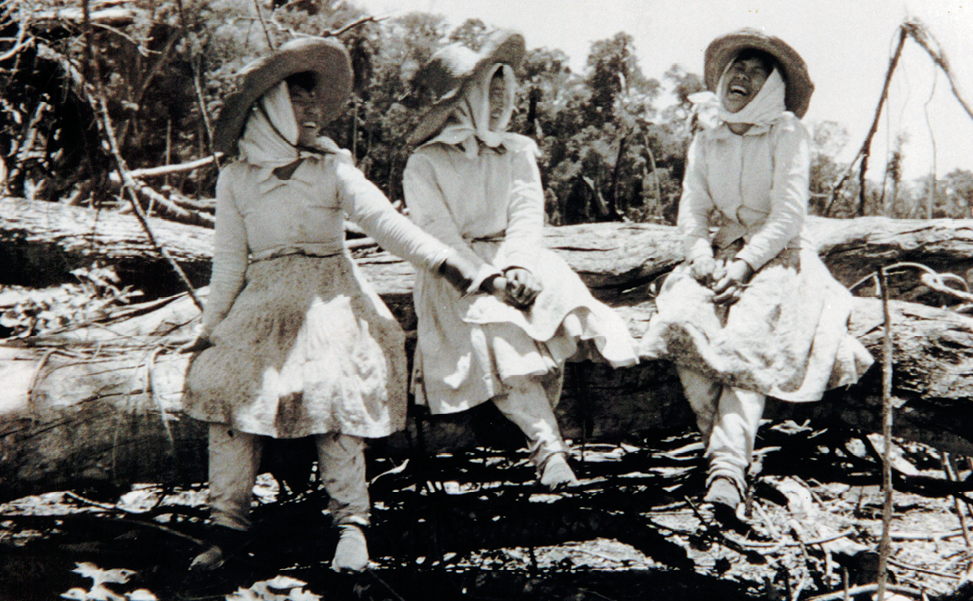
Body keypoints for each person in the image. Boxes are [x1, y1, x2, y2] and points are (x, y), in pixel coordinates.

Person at [182, 37, 483, 572]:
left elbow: (388, 226)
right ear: (271, 108)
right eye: (300, 100)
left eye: (315, 100)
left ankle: (351, 524)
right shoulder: (236, 177)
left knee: (335, 385)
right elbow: (228, 263)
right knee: (227, 382)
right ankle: (226, 526)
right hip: (264, 301)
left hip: (331, 296)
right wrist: (210, 331)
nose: (315, 110)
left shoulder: (333, 168)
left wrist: (454, 267)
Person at [638, 29, 874, 523]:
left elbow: (788, 216)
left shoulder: (786, 133)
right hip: (717, 254)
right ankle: (721, 460)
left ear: (771, 89)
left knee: (748, 336)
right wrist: (701, 258)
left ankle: (726, 469)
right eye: (736, 69)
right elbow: (694, 210)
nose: (740, 78)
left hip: (777, 256)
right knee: (681, 324)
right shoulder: (708, 135)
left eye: (755, 72)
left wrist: (746, 266)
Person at [401, 32, 639, 491]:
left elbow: (527, 214)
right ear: (462, 99)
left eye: (501, 88)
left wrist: (519, 265)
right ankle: (547, 448)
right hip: (459, 271)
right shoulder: (424, 164)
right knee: (498, 328)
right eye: (484, 90)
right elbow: (440, 236)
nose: (497, 100)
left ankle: (548, 413)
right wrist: (490, 278)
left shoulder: (518, 151)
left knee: (561, 311)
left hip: (517, 257)